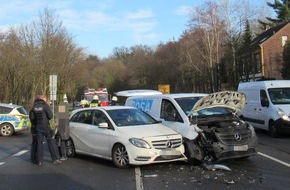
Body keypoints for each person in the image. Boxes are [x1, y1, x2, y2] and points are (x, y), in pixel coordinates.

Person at [29, 95, 61, 165]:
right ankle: (54, 159)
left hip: (38, 127)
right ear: (44, 99)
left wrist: (36, 124)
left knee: (39, 144)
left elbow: (32, 118)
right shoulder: (45, 106)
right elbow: (50, 116)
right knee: (50, 142)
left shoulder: (34, 107)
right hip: (46, 126)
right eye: (46, 100)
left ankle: (40, 161)